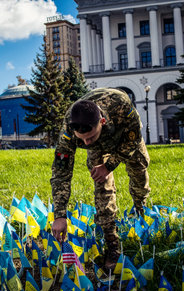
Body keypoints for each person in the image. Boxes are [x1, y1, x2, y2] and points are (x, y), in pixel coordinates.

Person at [51, 88, 150, 270]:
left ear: (102, 122)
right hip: (100, 149)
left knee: (139, 171)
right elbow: (61, 174)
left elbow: (134, 138)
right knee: (102, 188)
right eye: (82, 140)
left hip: (125, 136)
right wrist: (59, 215)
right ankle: (112, 243)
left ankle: (140, 210)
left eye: (90, 137)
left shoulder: (120, 104)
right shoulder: (68, 130)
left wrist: (109, 165)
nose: (86, 143)